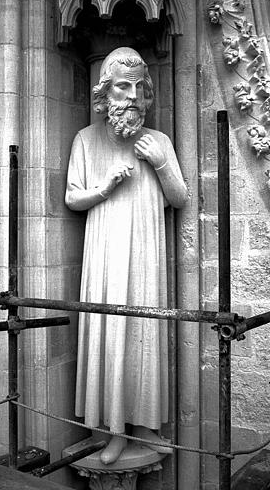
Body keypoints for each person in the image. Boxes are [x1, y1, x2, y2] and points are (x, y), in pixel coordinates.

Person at [65, 47, 188, 465]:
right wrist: (104, 188)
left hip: (147, 252)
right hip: (105, 252)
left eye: (139, 87)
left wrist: (160, 164)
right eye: (123, 86)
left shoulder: (161, 142)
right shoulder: (86, 139)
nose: (132, 95)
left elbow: (179, 198)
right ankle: (114, 429)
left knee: (145, 332)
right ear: (106, 93)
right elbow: (71, 197)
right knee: (111, 330)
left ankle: (147, 426)